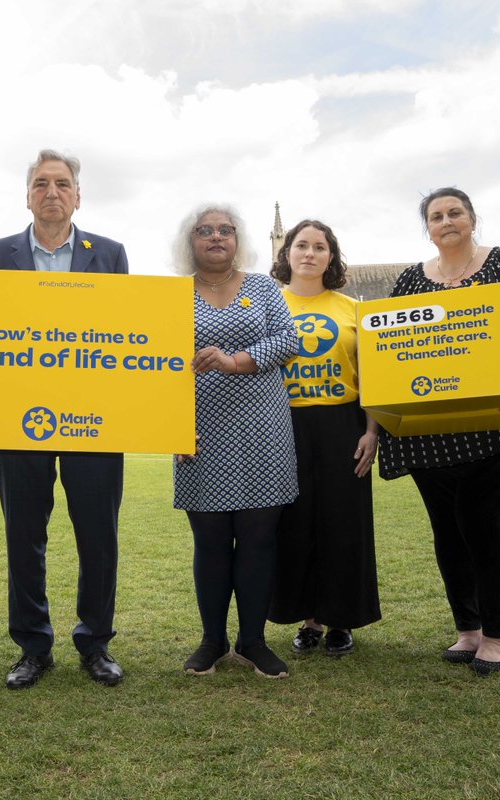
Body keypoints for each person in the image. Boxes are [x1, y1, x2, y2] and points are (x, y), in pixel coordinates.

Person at [378, 187, 500, 676]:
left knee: (480, 516)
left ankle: (497, 636)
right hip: (432, 429)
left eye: (454, 212)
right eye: (436, 216)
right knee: (447, 526)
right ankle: (468, 630)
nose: (446, 221)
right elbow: (390, 352)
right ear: (428, 227)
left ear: (472, 218)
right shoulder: (410, 281)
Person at [0, 149, 129, 688]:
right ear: (28, 195)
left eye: (62, 183)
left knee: (98, 535)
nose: (52, 192)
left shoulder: (109, 254)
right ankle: (33, 647)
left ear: (77, 196)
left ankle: (95, 642)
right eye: (41, 183)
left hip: (95, 418)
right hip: (20, 420)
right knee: (23, 534)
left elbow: (128, 335)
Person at [173, 204, 299, 679]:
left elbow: (288, 340)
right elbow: (153, 366)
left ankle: (252, 641)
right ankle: (212, 639)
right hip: (199, 435)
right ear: (191, 241)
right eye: (204, 230)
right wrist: (170, 428)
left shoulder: (265, 287)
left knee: (258, 540)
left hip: (263, 430)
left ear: (237, 239)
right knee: (208, 541)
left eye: (225, 230)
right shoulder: (173, 296)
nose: (215, 237)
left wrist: (236, 359)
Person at [268, 219, 381, 657]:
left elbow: (373, 376)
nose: (310, 253)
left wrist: (371, 432)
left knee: (343, 523)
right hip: (282, 423)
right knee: (294, 524)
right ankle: (308, 620)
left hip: (342, 425)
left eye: (320, 246)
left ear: (331, 256)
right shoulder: (268, 304)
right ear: (287, 253)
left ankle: (341, 621)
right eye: (302, 245)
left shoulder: (353, 309)